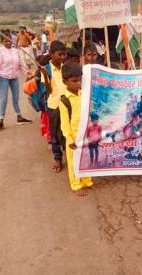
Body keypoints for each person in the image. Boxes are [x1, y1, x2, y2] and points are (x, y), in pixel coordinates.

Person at [59, 62, 95, 196]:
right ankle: (75, 184)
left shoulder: (83, 94)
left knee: (86, 158)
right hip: (73, 138)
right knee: (74, 162)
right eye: (74, 81)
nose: (78, 83)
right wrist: (69, 139)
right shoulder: (64, 101)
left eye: (80, 80)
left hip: (85, 135)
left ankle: (87, 180)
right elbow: (64, 124)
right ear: (65, 81)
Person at [0, 31, 32, 131]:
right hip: (3, 78)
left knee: (16, 98)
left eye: (9, 41)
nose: (8, 43)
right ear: (2, 41)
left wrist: (27, 74)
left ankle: (19, 117)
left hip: (14, 78)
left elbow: (21, 65)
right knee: (3, 99)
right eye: (6, 41)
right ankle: (1, 121)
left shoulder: (16, 51)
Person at [41, 40, 67, 172]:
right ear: (51, 54)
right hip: (54, 105)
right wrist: (45, 77)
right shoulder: (47, 69)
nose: (62, 57)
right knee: (55, 132)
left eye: (64, 54)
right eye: (59, 54)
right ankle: (58, 158)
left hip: (67, 104)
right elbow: (49, 91)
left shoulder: (66, 66)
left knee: (67, 131)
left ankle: (68, 153)